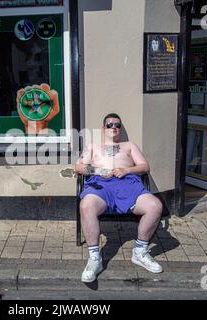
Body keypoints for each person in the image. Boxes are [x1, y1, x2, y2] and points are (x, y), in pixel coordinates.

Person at [74, 113, 164, 283]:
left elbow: (144, 166)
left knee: (155, 206)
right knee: (86, 206)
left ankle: (140, 252)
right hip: (100, 185)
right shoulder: (93, 146)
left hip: (128, 184)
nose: (113, 127)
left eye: (117, 125)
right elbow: (78, 167)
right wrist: (98, 171)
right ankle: (95, 259)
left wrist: (127, 170)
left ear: (120, 128)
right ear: (103, 128)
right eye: (109, 125)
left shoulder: (129, 146)